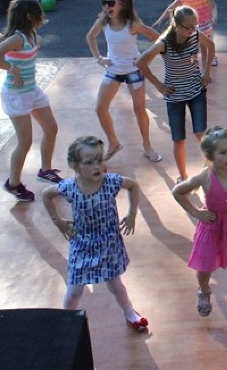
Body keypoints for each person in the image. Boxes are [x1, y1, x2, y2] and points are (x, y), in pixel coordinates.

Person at [41, 136, 147, 331]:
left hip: (108, 242)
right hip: (82, 244)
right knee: (74, 291)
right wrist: (58, 222)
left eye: (99, 159)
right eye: (89, 162)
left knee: (115, 284)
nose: (97, 166)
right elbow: (46, 194)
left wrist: (132, 214)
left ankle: (130, 312)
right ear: (75, 165)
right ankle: (66, 319)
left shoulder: (111, 182)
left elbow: (132, 185)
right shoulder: (69, 188)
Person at [172, 127, 227, 316]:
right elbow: (177, 191)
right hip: (212, 226)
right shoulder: (205, 176)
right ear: (210, 156)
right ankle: (203, 291)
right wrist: (195, 212)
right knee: (204, 265)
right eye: (223, 152)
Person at [0, 0, 62, 201]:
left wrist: (4, 44)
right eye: (39, 14)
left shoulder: (30, 33)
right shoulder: (18, 38)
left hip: (31, 90)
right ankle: (13, 183)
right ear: (29, 17)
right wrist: (12, 68)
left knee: (51, 128)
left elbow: (6, 47)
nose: (42, 18)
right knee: (25, 142)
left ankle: (45, 170)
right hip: (16, 95)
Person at [86, 0, 161, 163]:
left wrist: (145, 59)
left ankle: (147, 146)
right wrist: (98, 58)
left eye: (110, 3)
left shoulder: (132, 24)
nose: (106, 7)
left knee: (139, 109)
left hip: (133, 70)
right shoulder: (103, 22)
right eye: (104, 2)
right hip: (113, 69)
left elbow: (158, 39)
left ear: (122, 4)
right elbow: (90, 37)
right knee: (100, 108)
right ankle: (113, 143)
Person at [136, 6, 215, 181]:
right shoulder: (164, 43)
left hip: (196, 90)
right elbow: (141, 62)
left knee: (201, 133)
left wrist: (207, 72)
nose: (192, 30)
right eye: (188, 27)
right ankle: (183, 175)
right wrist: (159, 86)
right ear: (177, 25)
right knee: (179, 139)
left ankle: (208, 170)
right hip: (175, 96)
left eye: (195, 26)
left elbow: (210, 46)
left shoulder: (195, 35)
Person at [154, 0, 217, 68]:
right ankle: (192, 67)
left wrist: (214, 17)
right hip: (191, 27)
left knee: (204, 48)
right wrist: (161, 19)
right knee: (192, 49)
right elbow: (172, 6)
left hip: (205, 25)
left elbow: (213, 6)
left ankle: (205, 69)